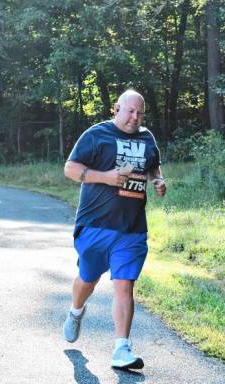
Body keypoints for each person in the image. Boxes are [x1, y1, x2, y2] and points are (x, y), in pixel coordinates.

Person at [62, 89, 166, 370]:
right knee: (88, 279)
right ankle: (75, 311)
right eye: (130, 111)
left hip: (131, 229)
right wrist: (105, 177)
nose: (135, 117)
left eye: (140, 113)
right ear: (116, 108)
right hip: (94, 226)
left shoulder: (147, 138)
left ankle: (121, 349)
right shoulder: (96, 135)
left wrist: (158, 181)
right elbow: (70, 169)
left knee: (124, 285)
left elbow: (154, 167)